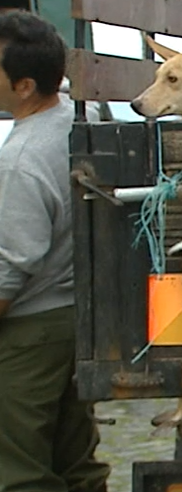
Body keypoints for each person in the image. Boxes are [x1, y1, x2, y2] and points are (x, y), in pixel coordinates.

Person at [0, 9, 110, 492]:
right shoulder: (81, 118)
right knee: (76, 459)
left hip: (32, 329)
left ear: (24, 86)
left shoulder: (20, 159)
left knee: (18, 468)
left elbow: (10, 266)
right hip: (77, 314)